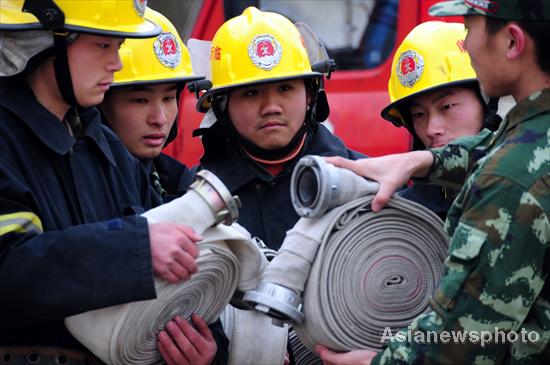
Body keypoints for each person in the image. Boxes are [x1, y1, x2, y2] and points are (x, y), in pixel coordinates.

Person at [316, 0, 550, 363]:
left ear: (512, 42)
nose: (467, 43)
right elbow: (505, 147)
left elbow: (460, 341)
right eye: (419, 115)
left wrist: (374, 362)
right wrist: (422, 160)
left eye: (470, 27)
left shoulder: (506, 181)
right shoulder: (526, 143)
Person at [0, 1, 202, 363]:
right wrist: (132, 249)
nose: (117, 63)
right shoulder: (5, 142)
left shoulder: (103, 145)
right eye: (102, 45)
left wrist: (204, 347)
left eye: (118, 46)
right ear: (47, 39)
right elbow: (8, 269)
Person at [99, 8, 228, 365]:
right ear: (102, 101)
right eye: (140, 99)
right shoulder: (88, 184)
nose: (159, 117)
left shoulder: (184, 184)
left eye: (169, 98)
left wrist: (213, 351)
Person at [193, 6, 365, 252]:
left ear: (309, 95)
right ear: (222, 106)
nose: (271, 107)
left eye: (285, 88)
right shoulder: (193, 200)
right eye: (251, 93)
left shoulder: (362, 182)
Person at [381, 20, 501, 220]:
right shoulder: (405, 215)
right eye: (418, 114)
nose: (430, 129)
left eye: (446, 107)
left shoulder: (525, 186)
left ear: (487, 103)